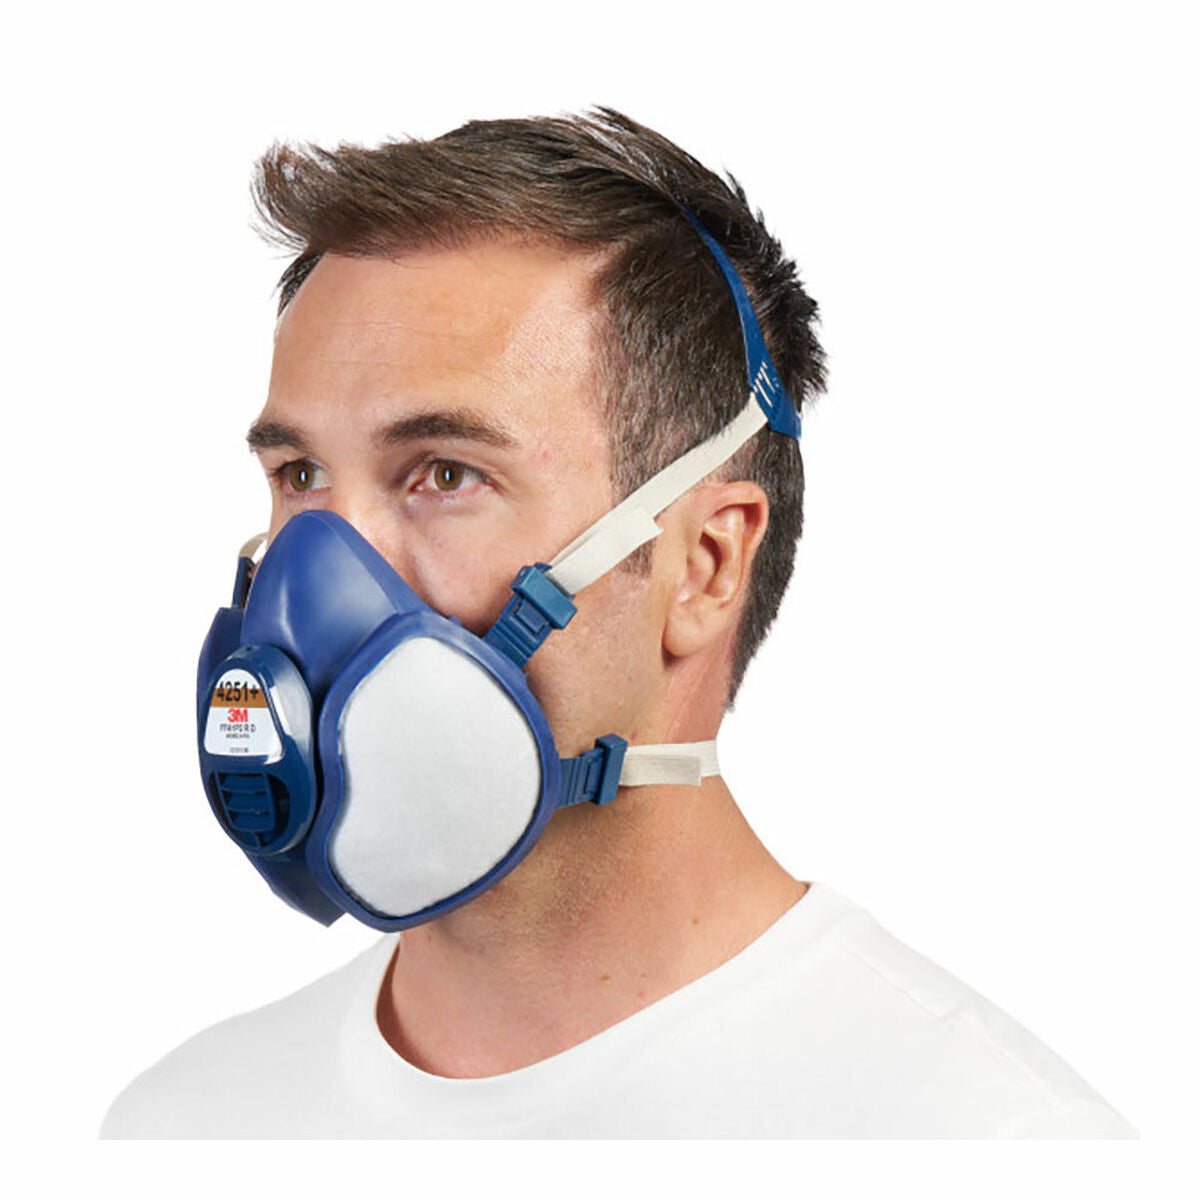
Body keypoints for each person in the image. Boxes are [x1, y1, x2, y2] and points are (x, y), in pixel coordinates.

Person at [101, 108, 1134, 1139]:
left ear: (706, 564)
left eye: (446, 475)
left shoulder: (989, 1141)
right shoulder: (180, 1126)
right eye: (299, 475)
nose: (314, 574)